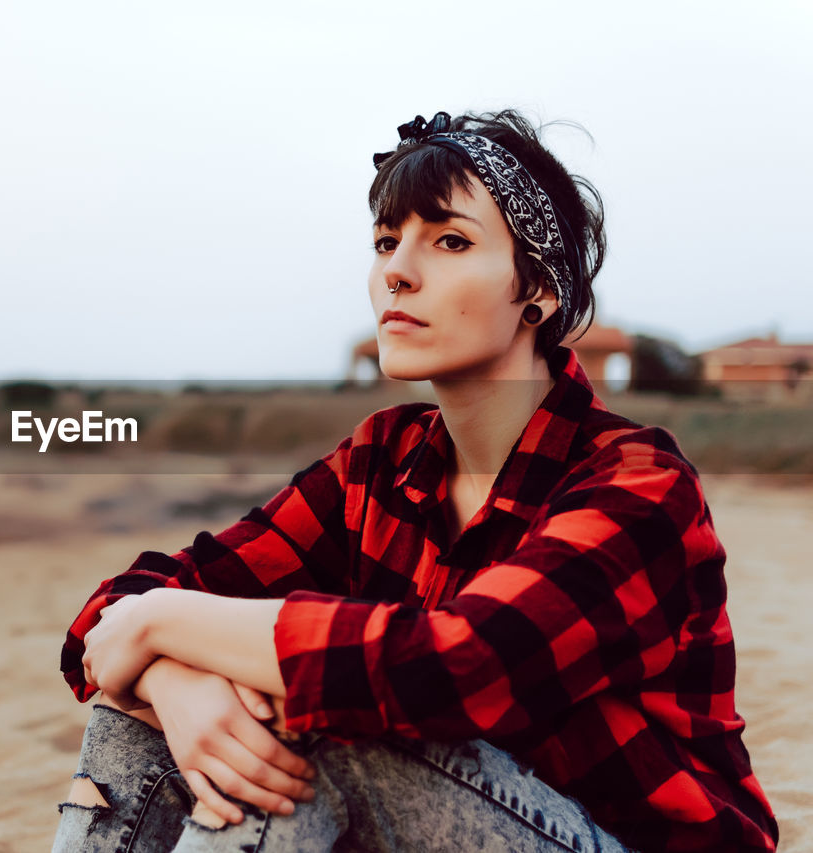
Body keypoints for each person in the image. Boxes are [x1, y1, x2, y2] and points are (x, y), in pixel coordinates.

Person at [52, 110, 779, 852]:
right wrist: (171, 675)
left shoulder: (639, 482)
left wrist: (161, 624)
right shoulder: (380, 459)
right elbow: (107, 622)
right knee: (135, 705)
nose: (397, 269)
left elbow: (461, 665)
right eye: (385, 241)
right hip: (447, 819)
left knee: (327, 712)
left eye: (451, 241)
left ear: (540, 292)